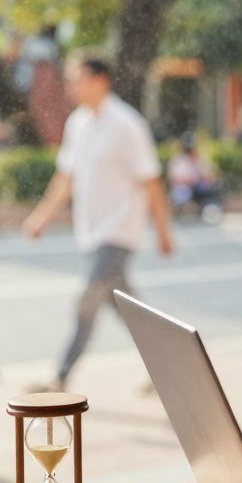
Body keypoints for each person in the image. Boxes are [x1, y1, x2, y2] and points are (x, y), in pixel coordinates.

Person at [24, 58, 174, 391]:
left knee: (87, 300)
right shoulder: (78, 123)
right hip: (90, 233)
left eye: (78, 79)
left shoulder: (126, 124)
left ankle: (60, 377)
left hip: (118, 232)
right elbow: (66, 177)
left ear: (101, 80)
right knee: (126, 307)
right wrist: (42, 217)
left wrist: (164, 232)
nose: (71, 86)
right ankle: (168, 364)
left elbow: (151, 181)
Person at [167, 131, 222, 223]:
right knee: (181, 193)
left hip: (198, 188)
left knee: (208, 190)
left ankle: (210, 210)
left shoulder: (199, 159)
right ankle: (181, 213)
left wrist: (203, 173)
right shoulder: (178, 160)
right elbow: (174, 178)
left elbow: (211, 174)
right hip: (184, 189)